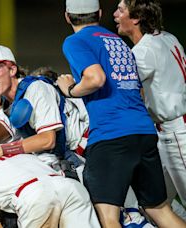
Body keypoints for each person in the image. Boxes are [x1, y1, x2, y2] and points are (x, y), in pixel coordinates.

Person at [56, 0, 186, 227]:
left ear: (67, 17)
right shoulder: (120, 40)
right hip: (145, 132)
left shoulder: (75, 41)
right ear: (99, 12)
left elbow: (96, 79)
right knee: (160, 211)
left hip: (113, 135)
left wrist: (70, 89)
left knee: (109, 218)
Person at [113, 0, 186, 209]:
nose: (115, 15)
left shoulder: (143, 51)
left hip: (176, 133)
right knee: (155, 207)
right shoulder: (167, 37)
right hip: (171, 131)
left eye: (121, 10)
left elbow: (123, 89)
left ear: (136, 18)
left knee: (158, 207)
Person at [0, 45, 65, 173]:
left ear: (12, 70)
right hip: (59, 158)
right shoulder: (7, 104)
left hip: (81, 152)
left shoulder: (36, 88)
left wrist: (2, 149)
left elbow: (48, 140)